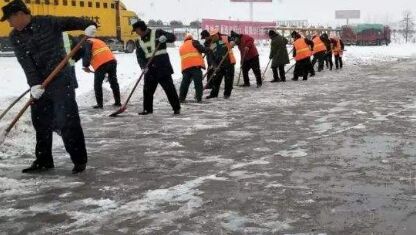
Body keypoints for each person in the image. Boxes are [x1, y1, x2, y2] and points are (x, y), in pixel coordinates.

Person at [2, 0, 95, 174]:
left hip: (61, 79)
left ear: (20, 14)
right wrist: (34, 85)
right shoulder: (15, 36)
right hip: (40, 84)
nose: (9, 23)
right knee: (40, 121)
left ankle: (79, 160)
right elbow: (26, 63)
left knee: (66, 119)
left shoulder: (47, 22)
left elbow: (71, 21)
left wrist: (89, 25)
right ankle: (44, 160)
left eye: (10, 19)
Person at [133, 20, 181, 115]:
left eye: (136, 30)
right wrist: (143, 66)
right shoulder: (138, 41)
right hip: (149, 68)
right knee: (147, 90)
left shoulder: (157, 32)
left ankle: (176, 108)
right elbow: (139, 56)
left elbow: (173, 37)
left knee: (169, 88)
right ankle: (147, 109)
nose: (136, 32)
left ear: (140, 28)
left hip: (162, 66)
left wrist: (165, 37)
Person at [82, 28, 121, 109]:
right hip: (112, 61)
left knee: (97, 84)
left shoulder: (88, 42)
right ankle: (118, 102)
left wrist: (85, 66)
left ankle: (100, 105)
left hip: (101, 64)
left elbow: (87, 54)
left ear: (85, 35)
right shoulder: (99, 41)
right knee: (113, 82)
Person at [206, 29, 235, 99]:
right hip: (219, 65)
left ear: (217, 34)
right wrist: (215, 66)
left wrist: (232, 42)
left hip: (229, 63)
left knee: (228, 80)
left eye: (214, 35)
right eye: (212, 36)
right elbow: (211, 58)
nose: (213, 37)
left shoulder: (225, 38)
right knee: (216, 80)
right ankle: (213, 94)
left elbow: (233, 39)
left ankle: (227, 94)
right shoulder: (212, 44)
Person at [178, 33, 207, 103]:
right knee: (198, 83)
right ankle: (199, 98)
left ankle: (181, 98)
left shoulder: (181, 47)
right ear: (191, 38)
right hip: (195, 67)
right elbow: (202, 49)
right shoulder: (194, 42)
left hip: (185, 68)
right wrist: (208, 49)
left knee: (185, 84)